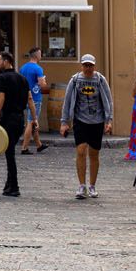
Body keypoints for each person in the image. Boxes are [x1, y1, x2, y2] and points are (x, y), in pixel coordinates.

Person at [60, 53, 113, 199]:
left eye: (90, 65)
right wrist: (64, 122)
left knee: (94, 154)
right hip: (80, 120)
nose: (88, 68)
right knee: (81, 150)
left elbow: (108, 100)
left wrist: (109, 121)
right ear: (82, 66)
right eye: (85, 65)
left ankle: (92, 186)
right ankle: (82, 185)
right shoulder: (75, 80)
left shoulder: (100, 80)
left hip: (97, 121)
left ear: (94, 66)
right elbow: (67, 101)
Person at [0, 51, 29, 197]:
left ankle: (14, 186)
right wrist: (34, 118)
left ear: (6, 61)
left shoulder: (2, 78)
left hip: (9, 118)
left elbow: (1, 97)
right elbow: (29, 98)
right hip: (20, 118)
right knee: (10, 150)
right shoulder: (22, 78)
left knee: (9, 153)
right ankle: (9, 185)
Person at [18, 48, 49, 155]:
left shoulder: (23, 68)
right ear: (36, 55)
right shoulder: (38, 69)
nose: (41, 56)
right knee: (31, 122)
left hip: (24, 98)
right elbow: (42, 85)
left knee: (32, 122)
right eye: (40, 54)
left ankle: (39, 145)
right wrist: (44, 81)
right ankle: (24, 148)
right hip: (35, 99)